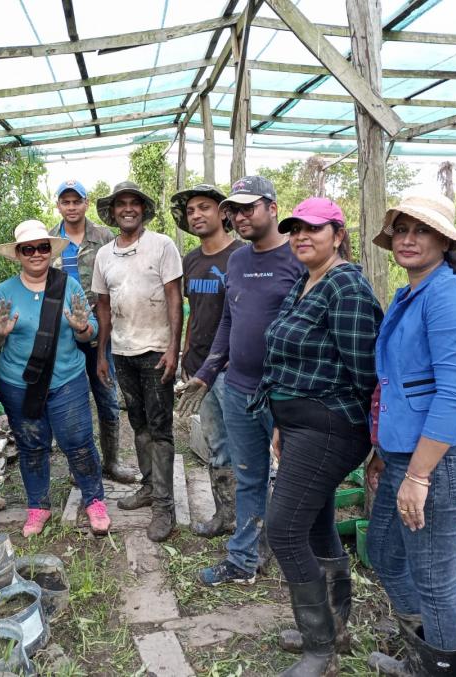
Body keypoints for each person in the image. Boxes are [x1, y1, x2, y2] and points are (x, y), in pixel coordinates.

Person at [245, 198, 383, 676]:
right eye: (296, 229)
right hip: (301, 424)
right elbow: (287, 361)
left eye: (314, 229)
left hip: (330, 426)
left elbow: (366, 373)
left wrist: (379, 446)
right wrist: (282, 421)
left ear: (338, 234)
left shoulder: (346, 287)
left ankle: (319, 647)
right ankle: (335, 627)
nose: (302, 236)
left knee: (282, 529)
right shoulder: (307, 281)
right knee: (314, 524)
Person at [366, 194, 456, 676]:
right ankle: (429, 647)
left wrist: (419, 475)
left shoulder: (449, 297)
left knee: (436, 580)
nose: (408, 239)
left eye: (421, 230)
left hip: (437, 461)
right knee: (385, 554)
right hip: (401, 456)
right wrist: (380, 450)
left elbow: (453, 397)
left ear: (444, 242)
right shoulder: (408, 293)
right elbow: (397, 382)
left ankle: (442, 666)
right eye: (401, 229)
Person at [178, 176, 303, 583]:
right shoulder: (238, 261)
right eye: (235, 208)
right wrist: (206, 372)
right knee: (248, 473)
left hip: (287, 392)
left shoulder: (299, 258)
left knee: (293, 479)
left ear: (272, 206)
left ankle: (299, 558)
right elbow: (228, 322)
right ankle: (244, 559)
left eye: (250, 207)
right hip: (239, 388)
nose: (241, 215)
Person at [0, 220, 111, 538]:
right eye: (29, 249)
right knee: (31, 446)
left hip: (66, 380)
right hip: (18, 383)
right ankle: (38, 506)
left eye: (43, 247)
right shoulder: (4, 291)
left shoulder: (68, 286)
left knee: (79, 443)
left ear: (50, 250)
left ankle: (94, 500)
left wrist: (83, 327)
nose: (37, 253)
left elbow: (90, 329)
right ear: (19, 254)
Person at [92, 181, 183, 542]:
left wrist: (173, 348)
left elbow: (174, 298)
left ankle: (165, 506)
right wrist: (102, 353)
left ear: (143, 210)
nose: (127, 209)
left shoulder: (161, 245)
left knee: (160, 428)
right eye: (120, 205)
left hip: (156, 350)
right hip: (122, 351)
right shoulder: (105, 255)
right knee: (139, 422)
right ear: (112, 213)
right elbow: (102, 306)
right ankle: (149, 486)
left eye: (134, 204)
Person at [169, 184, 244, 537]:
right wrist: (186, 353)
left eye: (204, 207)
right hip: (200, 367)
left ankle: (250, 522)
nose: (197, 215)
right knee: (216, 444)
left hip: (233, 369)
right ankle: (224, 516)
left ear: (223, 213)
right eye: (191, 211)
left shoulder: (242, 256)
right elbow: (193, 312)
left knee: (244, 445)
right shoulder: (191, 260)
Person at [49, 180, 135, 484]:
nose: (71, 207)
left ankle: (111, 462)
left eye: (77, 201)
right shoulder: (48, 240)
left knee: (107, 397)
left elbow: (120, 278)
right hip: (60, 334)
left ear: (86, 203)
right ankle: (80, 465)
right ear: (58, 205)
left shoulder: (104, 237)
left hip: (100, 328)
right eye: (66, 202)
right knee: (71, 400)